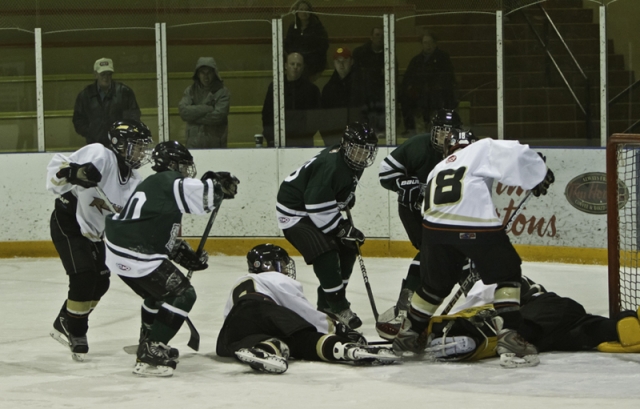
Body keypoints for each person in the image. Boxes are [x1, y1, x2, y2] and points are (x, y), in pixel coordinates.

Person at [393, 130, 556, 369]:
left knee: (433, 287)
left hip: (434, 229)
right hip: (472, 223)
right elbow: (516, 153)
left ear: (449, 148)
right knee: (508, 273)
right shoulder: (480, 149)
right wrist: (537, 173)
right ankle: (510, 335)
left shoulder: (436, 169)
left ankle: (408, 334)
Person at [103, 140, 240, 377]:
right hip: (135, 253)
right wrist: (219, 187)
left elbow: (154, 226)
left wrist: (177, 251)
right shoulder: (168, 180)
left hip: (121, 248)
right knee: (184, 294)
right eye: (184, 165)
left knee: (157, 294)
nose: (187, 171)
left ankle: (148, 339)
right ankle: (152, 350)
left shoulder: (156, 185)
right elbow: (205, 199)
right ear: (172, 164)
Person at [47, 119, 153, 362]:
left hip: (95, 233)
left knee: (101, 282)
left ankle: (67, 317)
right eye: (137, 146)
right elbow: (57, 168)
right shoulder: (99, 154)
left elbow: (128, 222)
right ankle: (76, 330)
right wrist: (76, 172)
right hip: (69, 221)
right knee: (83, 275)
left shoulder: (135, 182)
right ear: (118, 144)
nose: (141, 152)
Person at [216, 244, 399, 374]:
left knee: (287, 341)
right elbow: (303, 313)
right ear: (269, 265)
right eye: (283, 264)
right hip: (261, 309)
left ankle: (266, 349)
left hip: (234, 331)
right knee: (303, 334)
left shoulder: (239, 282)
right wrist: (337, 329)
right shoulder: (275, 278)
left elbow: (230, 318)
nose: (286, 270)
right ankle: (343, 348)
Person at [275, 122, 378, 329]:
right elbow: (315, 205)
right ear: (346, 145)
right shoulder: (331, 164)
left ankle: (327, 305)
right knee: (326, 251)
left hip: (313, 207)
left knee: (349, 246)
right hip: (295, 213)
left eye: (366, 151)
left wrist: (344, 198)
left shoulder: (351, 162)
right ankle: (339, 306)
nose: (362, 155)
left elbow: (334, 189)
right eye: (358, 149)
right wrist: (340, 228)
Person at [376, 109, 464, 340]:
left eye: (450, 132)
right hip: (414, 212)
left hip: (445, 213)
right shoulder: (417, 145)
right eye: (440, 131)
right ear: (432, 131)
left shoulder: (465, 151)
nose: (445, 137)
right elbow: (385, 173)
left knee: (447, 254)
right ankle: (407, 303)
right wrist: (402, 183)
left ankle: (413, 302)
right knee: (429, 251)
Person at [423, 275, 640, 365]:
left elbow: (467, 314)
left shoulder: (489, 281)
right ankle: (629, 323)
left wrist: (428, 328)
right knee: (595, 332)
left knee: (510, 328)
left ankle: (473, 339)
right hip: (559, 321)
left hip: (546, 308)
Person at [72, 58, 141, 146]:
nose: (106, 77)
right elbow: (78, 119)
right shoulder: (85, 95)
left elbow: (134, 116)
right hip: (94, 145)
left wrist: (124, 134)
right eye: (103, 74)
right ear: (95, 74)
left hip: (121, 145)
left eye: (109, 74)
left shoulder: (124, 92)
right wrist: (91, 132)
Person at [400, 32, 457, 136]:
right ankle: (415, 130)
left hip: (437, 95)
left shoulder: (443, 58)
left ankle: (436, 130)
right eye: (425, 43)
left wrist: (433, 87)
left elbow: (447, 78)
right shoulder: (416, 60)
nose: (428, 45)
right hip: (419, 96)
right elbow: (408, 79)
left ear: (435, 43)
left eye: (430, 42)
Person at [261, 52, 321, 147]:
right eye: (292, 64)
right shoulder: (275, 86)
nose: (295, 67)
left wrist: (303, 137)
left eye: (299, 64)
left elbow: (315, 118)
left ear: (303, 67)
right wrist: (272, 138)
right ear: (285, 66)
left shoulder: (311, 90)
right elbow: (267, 114)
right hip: (278, 142)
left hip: (303, 143)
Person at [178, 57, 231, 149]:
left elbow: (219, 116)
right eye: (202, 72)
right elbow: (183, 112)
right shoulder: (190, 91)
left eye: (209, 72)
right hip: (193, 145)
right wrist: (207, 108)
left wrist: (193, 117)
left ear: (214, 74)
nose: (206, 76)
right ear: (198, 74)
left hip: (216, 146)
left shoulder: (222, 92)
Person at [320, 47, 366, 146]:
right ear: (334, 63)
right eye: (338, 61)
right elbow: (323, 118)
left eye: (345, 60)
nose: (341, 64)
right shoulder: (328, 89)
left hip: (358, 140)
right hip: (334, 140)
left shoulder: (361, 86)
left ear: (351, 62)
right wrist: (329, 139)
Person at [352, 27, 386, 137]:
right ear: (371, 37)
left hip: (381, 97)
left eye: (382, 35)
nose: (379, 38)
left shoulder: (389, 54)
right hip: (363, 95)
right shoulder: (359, 53)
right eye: (377, 35)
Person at [284, 0, 329, 80]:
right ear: (297, 12)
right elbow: (288, 44)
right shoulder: (293, 27)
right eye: (301, 9)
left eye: (306, 9)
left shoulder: (317, 27)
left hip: (312, 62)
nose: (303, 12)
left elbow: (322, 47)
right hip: (296, 60)